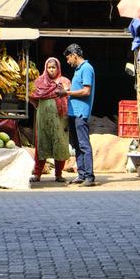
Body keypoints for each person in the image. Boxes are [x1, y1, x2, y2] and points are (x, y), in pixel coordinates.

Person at [29, 57, 71, 183]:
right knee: (42, 143)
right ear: (45, 68)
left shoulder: (64, 81)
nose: (51, 70)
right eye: (49, 67)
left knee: (60, 143)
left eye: (54, 67)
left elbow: (69, 96)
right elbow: (31, 95)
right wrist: (38, 106)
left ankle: (58, 174)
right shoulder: (39, 82)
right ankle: (37, 174)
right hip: (43, 117)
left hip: (60, 118)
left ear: (58, 68)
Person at [63, 43, 96, 187]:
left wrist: (67, 92)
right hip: (73, 112)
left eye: (68, 58)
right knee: (76, 145)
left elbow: (86, 91)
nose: (67, 61)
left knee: (84, 145)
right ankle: (81, 174)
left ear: (74, 55)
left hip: (81, 112)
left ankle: (89, 176)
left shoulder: (87, 68)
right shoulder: (78, 69)